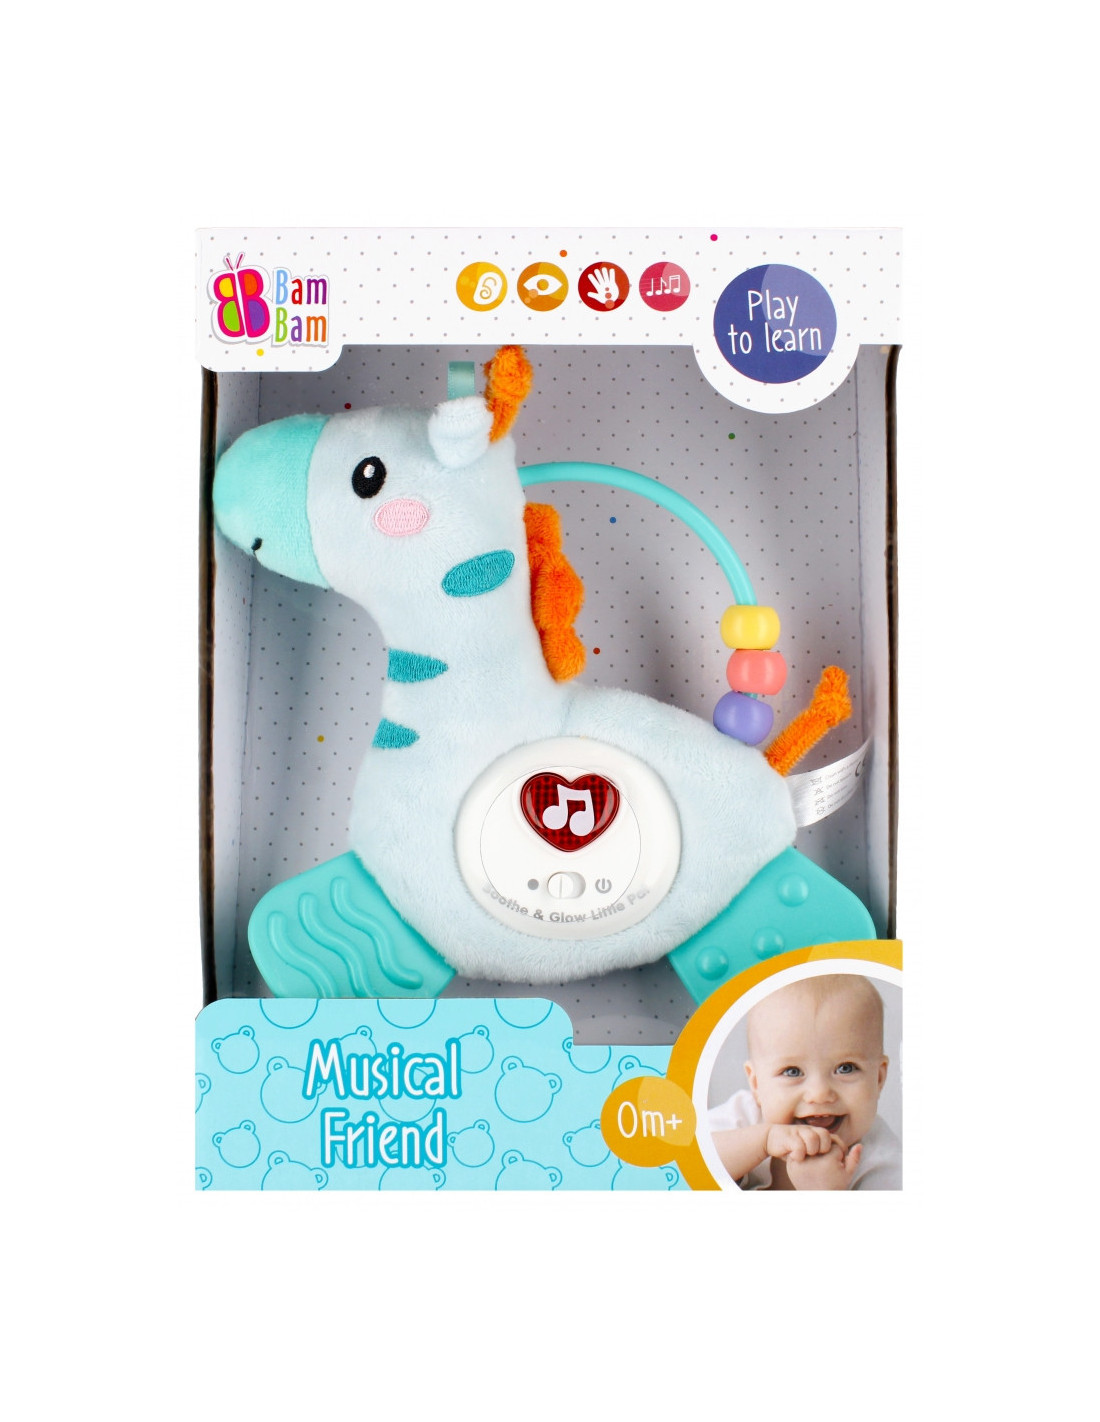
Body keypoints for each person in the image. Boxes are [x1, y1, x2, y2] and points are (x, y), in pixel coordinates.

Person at [708, 974, 901, 1190]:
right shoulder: (743, 1115)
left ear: (878, 1079)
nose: (819, 1093)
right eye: (792, 1072)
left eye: (845, 1068)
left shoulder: (884, 1164)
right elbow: (691, 1155)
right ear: (756, 1084)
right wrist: (764, 1141)